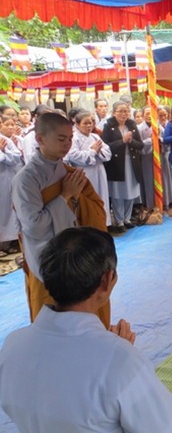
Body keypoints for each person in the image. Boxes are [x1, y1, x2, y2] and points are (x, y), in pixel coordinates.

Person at [0, 227, 172, 433]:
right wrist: (119, 355)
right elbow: (159, 427)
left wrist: (115, 352)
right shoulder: (121, 361)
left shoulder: (13, 345)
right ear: (107, 280)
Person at [11, 112, 109, 326]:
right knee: (53, 317)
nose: (67, 144)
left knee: (84, 314)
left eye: (70, 139)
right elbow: (34, 227)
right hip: (47, 260)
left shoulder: (67, 171)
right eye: (61, 139)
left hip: (75, 255)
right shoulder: (26, 179)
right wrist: (65, 196)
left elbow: (90, 209)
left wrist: (76, 198)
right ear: (40, 138)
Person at [102, 100, 145, 233]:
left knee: (130, 191)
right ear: (114, 113)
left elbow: (140, 145)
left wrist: (130, 141)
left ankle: (127, 219)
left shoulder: (131, 124)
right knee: (118, 193)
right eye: (120, 111)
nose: (123, 114)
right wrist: (122, 141)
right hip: (117, 164)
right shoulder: (108, 126)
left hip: (132, 163)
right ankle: (119, 220)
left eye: (126, 111)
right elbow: (106, 146)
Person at [65, 110, 112, 228]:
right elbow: (72, 155)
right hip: (84, 172)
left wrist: (98, 151)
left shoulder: (95, 136)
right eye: (85, 123)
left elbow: (107, 152)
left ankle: (103, 223)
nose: (88, 126)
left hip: (99, 170)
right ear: (77, 124)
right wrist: (92, 151)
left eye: (90, 123)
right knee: (87, 198)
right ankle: (89, 224)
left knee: (101, 196)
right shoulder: (74, 138)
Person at [0, 117, 23, 254]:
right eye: (6, 124)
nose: (9, 127)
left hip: (8, 180)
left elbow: (16, 157)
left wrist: (4, 151)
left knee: (10, 211)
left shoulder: (5, 140)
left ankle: (11, 240)